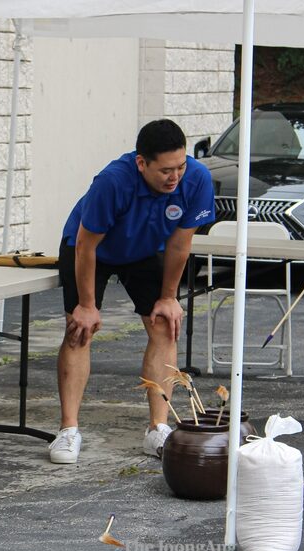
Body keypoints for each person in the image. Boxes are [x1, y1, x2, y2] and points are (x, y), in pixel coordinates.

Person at [48, 119, 215, 464]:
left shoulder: (196, 178)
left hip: (143, 249)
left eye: (180, 166)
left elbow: (181, 244)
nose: (175, 177)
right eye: (166, 170)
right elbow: (85, 245)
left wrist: (169, 297)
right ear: (142, 163)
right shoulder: (113, 181)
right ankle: (68, 431)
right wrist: (88, 305)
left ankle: (158, 429)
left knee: (164, 325)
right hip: (93, 249)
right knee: (80, 330)